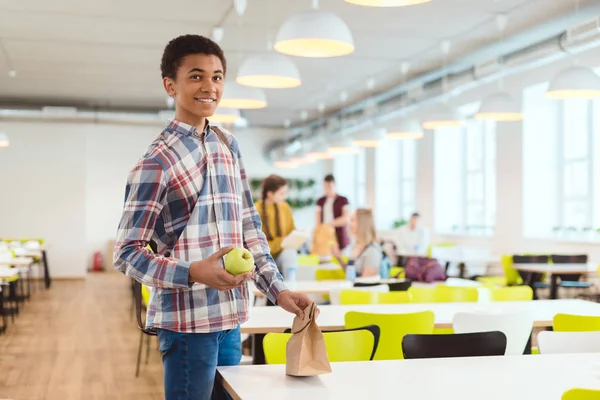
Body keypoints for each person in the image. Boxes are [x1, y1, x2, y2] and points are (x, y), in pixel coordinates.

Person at [113, 34, 314, 400]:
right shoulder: (156, 162)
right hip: (188, 325)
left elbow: (249, 228)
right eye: (196, 76)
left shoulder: (227, 145)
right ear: (170, 85)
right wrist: (192, 272)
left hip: (232, 318)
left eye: (218, 77)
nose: (210, 86)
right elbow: (126, 253)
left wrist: (278, 290)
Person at [254, 175, 298, 277]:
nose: (285, 196)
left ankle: (291, 289)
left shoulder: (285, 207)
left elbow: (292, 231)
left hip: (282, 255)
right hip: (262, 256)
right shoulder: (256, 209)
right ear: (270, 194)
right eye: (282, 193)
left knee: (291, 253)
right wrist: (280, 242)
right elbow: (256, 244)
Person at [333, 209, 382, 278]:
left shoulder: (372, 250)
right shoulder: (356, 246)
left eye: (352, 220)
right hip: (354, 288)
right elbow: (351, 275)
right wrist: (338, 257)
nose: (349, 223)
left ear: (362, 223)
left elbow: (367, 283)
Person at [315, 174, 350, 251]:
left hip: (339, 237)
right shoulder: (320, 201)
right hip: (325, 236)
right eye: (325, 186)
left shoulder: (343, 200)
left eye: (329, 186)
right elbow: (317, 221)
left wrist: (328, 224)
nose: (327, 189)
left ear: (334, 185)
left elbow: (345, 219)